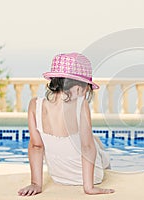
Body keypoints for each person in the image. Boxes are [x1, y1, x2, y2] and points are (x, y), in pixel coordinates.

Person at [18, 53, 115, 196]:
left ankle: (101, 152)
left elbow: (36, 146)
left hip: (59, 177)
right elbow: (87, 148)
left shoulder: (35, 105)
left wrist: (36, 183)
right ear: (77, 88)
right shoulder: (81, 105)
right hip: (91, 177)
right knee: (94, 143)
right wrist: (89, 187)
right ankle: (107, 166)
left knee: (94, 140)